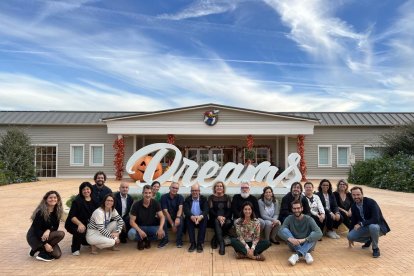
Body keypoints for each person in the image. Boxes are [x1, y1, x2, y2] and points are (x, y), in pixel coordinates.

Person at [347, 186, 390, 258]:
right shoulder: (354, 206)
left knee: (373, 226)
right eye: (354, 195)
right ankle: (369, 240)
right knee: (350, 236)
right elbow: (353, 221)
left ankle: (375, 248)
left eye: (358, 194)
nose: (356, 197)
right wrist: (350, 237)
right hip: (365, 227)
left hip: (377, 226)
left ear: (362, 194)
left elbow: (375, 219)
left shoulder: (371, 202)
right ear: (351, 195)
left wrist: (361, 223)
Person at [278, 200, 323, 266]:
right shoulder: (289, 218)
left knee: (314, 234)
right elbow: (280, 231)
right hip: (294, 244)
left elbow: (319, 233)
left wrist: (304, 240)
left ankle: (297, 255)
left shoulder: (309, 219)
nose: (296, 210)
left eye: (298, 208)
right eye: (294, 208)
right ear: (292, 209)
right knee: (284, 230)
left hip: (308, 245)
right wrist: (291, 239)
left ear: (302, 208)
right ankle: (305, 254)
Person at [27, 191, 65, 262]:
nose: (53, 199)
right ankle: (40, 251)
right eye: (50, 198)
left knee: (57, 255)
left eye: (55, 198)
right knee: (61, 234)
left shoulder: (57, 212)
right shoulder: (40, 212)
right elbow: (37, 230)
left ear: (58, 199)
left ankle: (36, 249)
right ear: (46, 199)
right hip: (34, 237)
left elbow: (55, 227)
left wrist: (48, 230)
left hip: (46, 236)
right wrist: (45, 244)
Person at [128, 185, 167, 250]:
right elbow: (131, 221)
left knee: (162, 234)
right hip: (139, 226)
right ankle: (140, 240)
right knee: (131, 234)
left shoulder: (155, 203)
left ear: (152, 194)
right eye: (146, 193)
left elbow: (162, 217)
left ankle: (147, 240)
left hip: (151, 227)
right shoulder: (136, 204)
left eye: (149, 193)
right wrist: (140, 231)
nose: (148, 195)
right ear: (142, 193)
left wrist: (160, 228)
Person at [65, 182, 97, 256]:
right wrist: (80, 224)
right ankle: (75, 248)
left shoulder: (94, 199)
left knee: (87, 240)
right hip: (74, 223)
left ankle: (83, 241)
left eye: (87, 189)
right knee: (80, 230)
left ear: (91, 190)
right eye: (84, 189)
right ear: (81, 191)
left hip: (87, 223)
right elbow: (72, 216)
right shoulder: (77, 201)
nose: (86, 191)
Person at [208, 181, 232, 255]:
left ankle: (214, 239)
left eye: (221, 186)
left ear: (223, 188)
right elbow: (210, 210)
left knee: (229, 222)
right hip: (214, 218)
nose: (219, 187)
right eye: (217, 186)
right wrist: (218, 217)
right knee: (216, 221)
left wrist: (224, 217)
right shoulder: (211, 197)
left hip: (225, 219)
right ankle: (222, 244)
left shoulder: (227, 197)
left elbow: (229, 210)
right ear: (214, 188)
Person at [184, 184, 209, 253]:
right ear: (191, 191)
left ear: (199, 191)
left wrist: (200, 216)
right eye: (193, 191)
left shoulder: (204, 199)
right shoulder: (187, 199)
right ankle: (192, 243)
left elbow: (206, 210)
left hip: (200, 218)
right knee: (187, 219)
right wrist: (192, 216)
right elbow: (186, 210)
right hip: (191, 218)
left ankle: (199, 244)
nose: (194, 192)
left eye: (196, 190)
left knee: (205, 218)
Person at [160, 182, 184, 248]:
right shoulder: (164, 197)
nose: (174, 189)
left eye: (176, 188)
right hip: (168, 217)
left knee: (181, 220)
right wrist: (172, 224)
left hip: (176, 217)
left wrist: (178, 217)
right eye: (173, 187)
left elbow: (180, 208)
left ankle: (179, 241)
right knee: (163, 219)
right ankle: (165, 240)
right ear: (169, 188)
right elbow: (165, 212)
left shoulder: (180, 197)